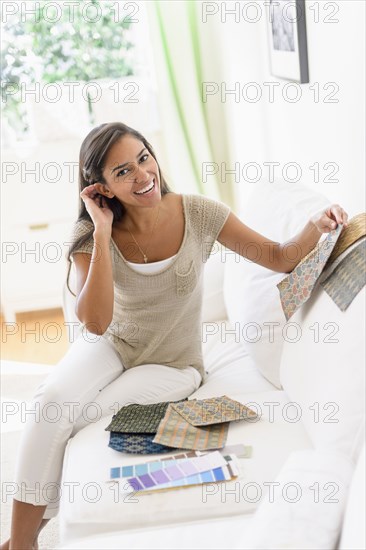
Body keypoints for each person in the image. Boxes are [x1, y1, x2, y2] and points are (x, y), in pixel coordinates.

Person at [1, 122, 349, 550]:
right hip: (111, 345)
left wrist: (316, 225)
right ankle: (21, 543)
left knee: (81, 417)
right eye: (123, 171)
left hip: (172, 365)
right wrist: (104, 232)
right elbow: (94, 322)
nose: (143, 175)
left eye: (144, 158)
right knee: (50, 403)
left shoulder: (199, 213)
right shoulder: (90, 235)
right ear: (101, 188)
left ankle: (26, 535)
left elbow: (278, 257)